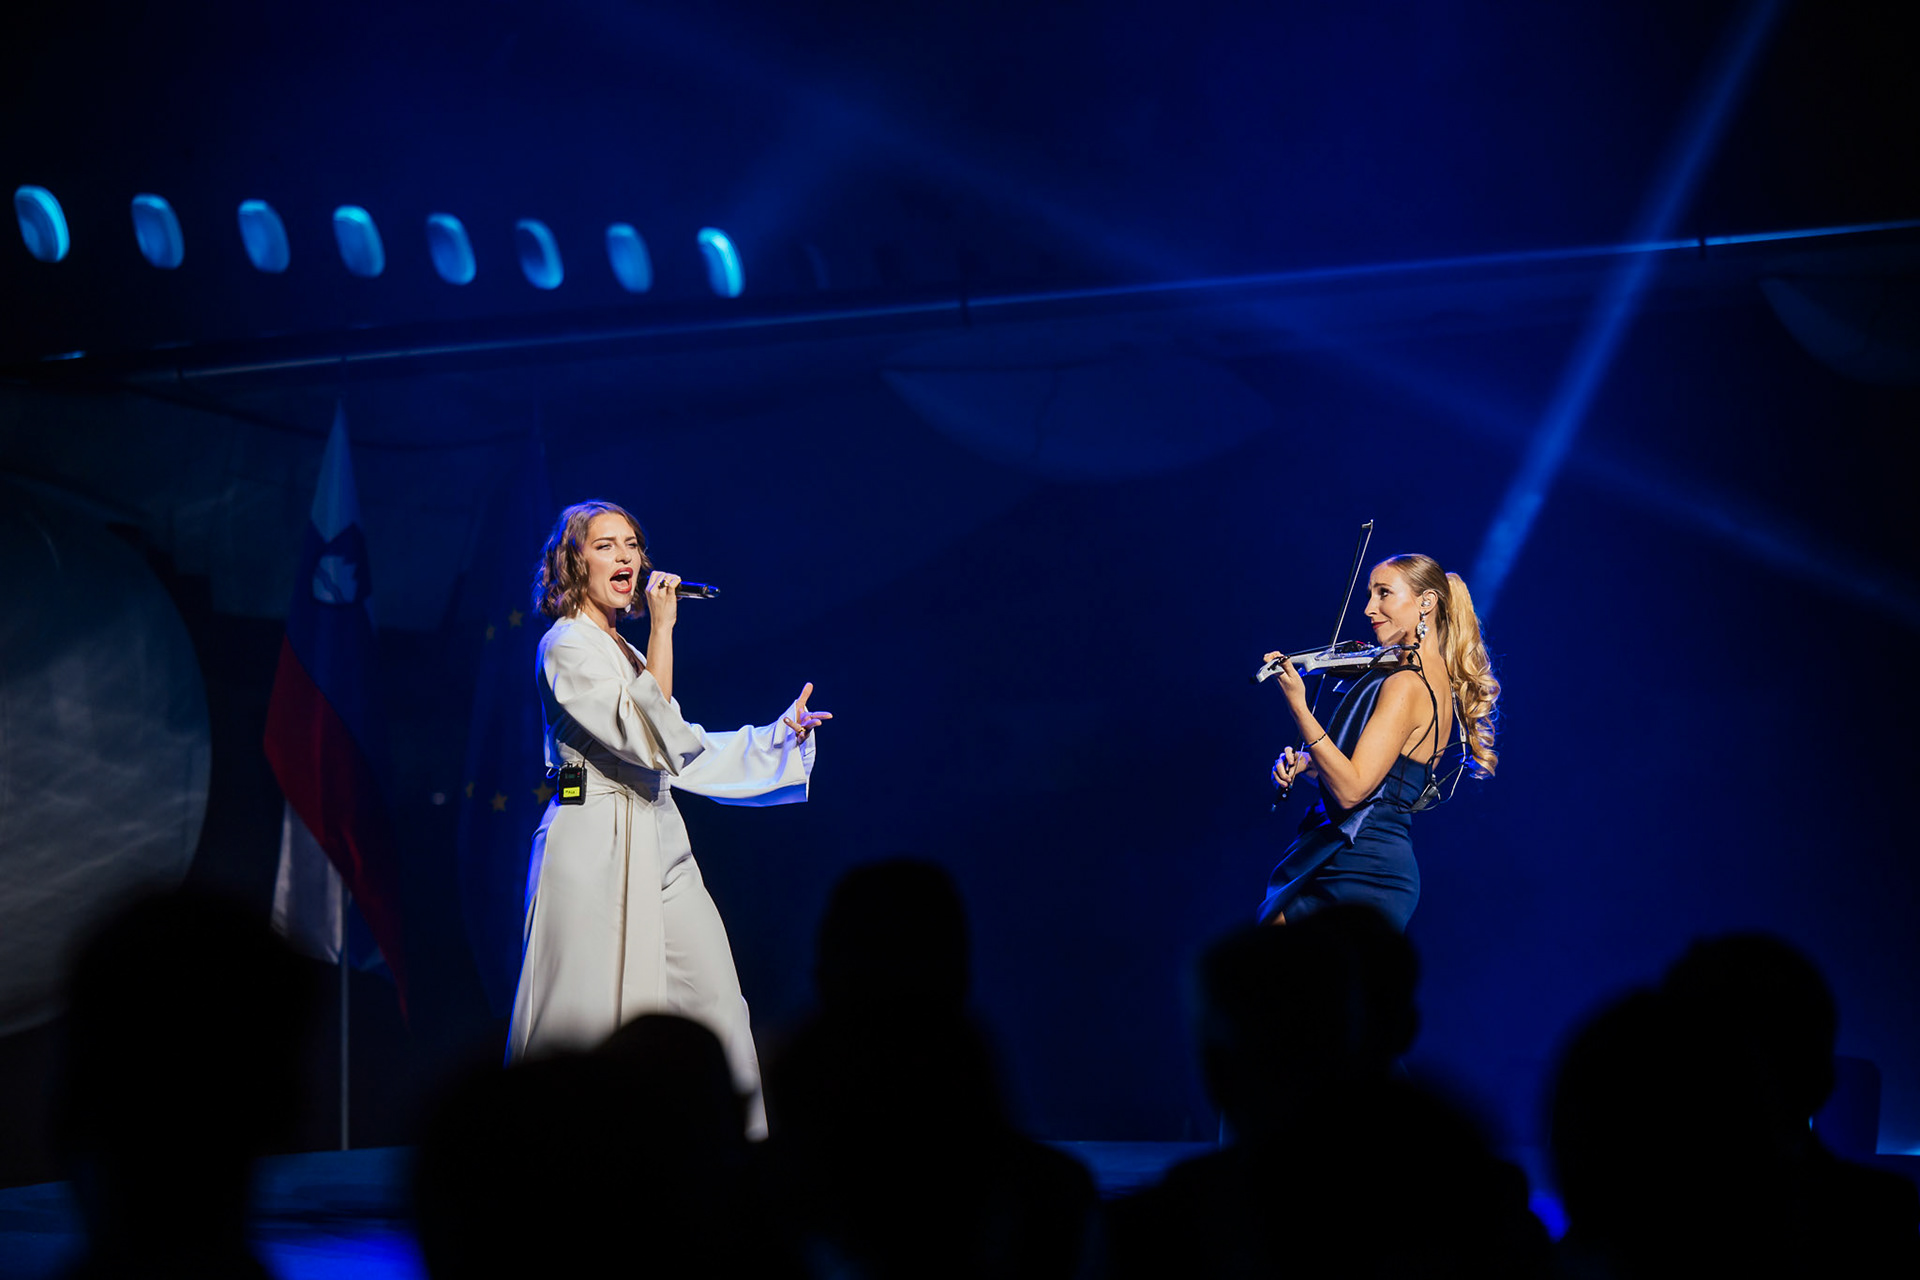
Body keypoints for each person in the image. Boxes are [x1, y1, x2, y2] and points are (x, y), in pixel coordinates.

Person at [506, 499, 830, 1138]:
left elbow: (680, 748)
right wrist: (663, 629)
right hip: (593, 839)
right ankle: (555, 1160)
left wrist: (778, 736)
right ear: (574, 563)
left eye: (631, 544)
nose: (625, 557)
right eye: (605, 546)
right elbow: (649, 738)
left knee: (717, 1003)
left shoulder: (622, 649)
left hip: (659, 837)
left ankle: (742, 1156)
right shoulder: (565, 645)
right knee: (586, 1017)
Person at [1257, 553, 1498, 930]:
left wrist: (1300, 708)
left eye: (1384, 593)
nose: (1370, 608)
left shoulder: (1406, 684)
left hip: (1358, 864)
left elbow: (1351, 791)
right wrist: (1308, 764)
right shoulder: (1435, 681)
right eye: (1370, 594)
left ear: (1426, 601)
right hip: (1364, 858)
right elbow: (1384, 779)